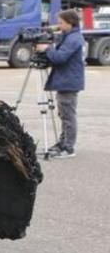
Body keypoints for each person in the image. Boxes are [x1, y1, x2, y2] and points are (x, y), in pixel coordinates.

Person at [36, 9, 85, 159]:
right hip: (66, 80)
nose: (58, 25)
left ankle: (68, 147)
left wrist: (47, 49)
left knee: (68, 116)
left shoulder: (74, 39)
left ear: (70, 23)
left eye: (61, 22)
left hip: (69, 82)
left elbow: (60, 58)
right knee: (64, 114)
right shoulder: (68, 36)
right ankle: (63, 143)